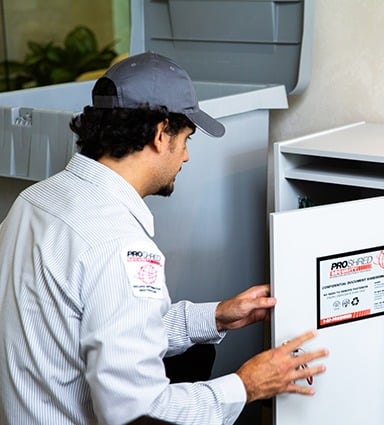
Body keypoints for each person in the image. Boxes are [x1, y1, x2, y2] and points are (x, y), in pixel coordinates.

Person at [0, 52, 328, 425]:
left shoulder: (34, 201)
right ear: (161, 133)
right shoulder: (119, 246)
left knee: (196, 357)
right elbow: (140, 412)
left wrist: (216, 316)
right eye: (186, 139)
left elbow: (102, 324)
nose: (186, 157)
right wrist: (246, 385)